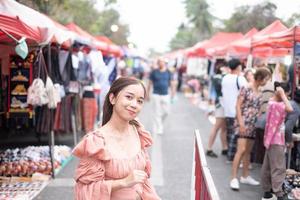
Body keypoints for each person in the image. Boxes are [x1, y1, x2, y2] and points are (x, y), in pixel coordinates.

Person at [73, 77, 160, 200]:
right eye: (129, 97)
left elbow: (143, 180)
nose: (134, 105)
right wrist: (123, 182)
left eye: (140, 101)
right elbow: (85, 190)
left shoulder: (137, 130)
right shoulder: (96, 142)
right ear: (112, 98)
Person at [230, 67, 271, 191]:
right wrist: (241, 122)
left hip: (253, 123)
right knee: (241, 150)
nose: (267, 81)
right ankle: (233, 178)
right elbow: (237, 106)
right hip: (243, 122)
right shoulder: (246, 87)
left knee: (248, 151)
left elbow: (258, 107)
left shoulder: (259, 90)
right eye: (266, 79)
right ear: (260, 78)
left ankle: (245, 175)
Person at [261, 83, 293, 200]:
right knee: (278, 168)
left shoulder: (272, 102)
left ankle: (267, 192)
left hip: (270, 139)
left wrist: (281, 94)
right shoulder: (278, 105)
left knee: (268, 166)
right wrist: (283, 95)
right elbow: (290, 108)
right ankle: (279, 193)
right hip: (277, 140)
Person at [221, 58, 248, 162]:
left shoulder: (225, 78)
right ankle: (234, 158)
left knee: (230, 134)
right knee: (237, 137)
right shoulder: (240, 79)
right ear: (238, 67)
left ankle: (230, 155)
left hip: (227, 110)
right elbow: (247, 91)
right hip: (237, 112)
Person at [147, 58, 175, 135]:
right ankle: (159, 127)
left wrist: (173, 93)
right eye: (159, 62)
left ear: (164, 63)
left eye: (162, 62)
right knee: (157, 112)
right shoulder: (154, 72)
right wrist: (147, 94)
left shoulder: (168, 72)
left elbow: (172, 83)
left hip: (165, 94)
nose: (160, 63)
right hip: (156, 94)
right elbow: (149, 83)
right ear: (158, 63)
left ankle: (160, 123)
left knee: (166, 112)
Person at [206, 66, 228, 158]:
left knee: (224, 128)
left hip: (223, 104)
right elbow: (219, 88)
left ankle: (224, 148)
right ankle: (209, 148)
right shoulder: (217, 77)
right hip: (220, 104)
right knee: (217, 126)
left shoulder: (220, 77)